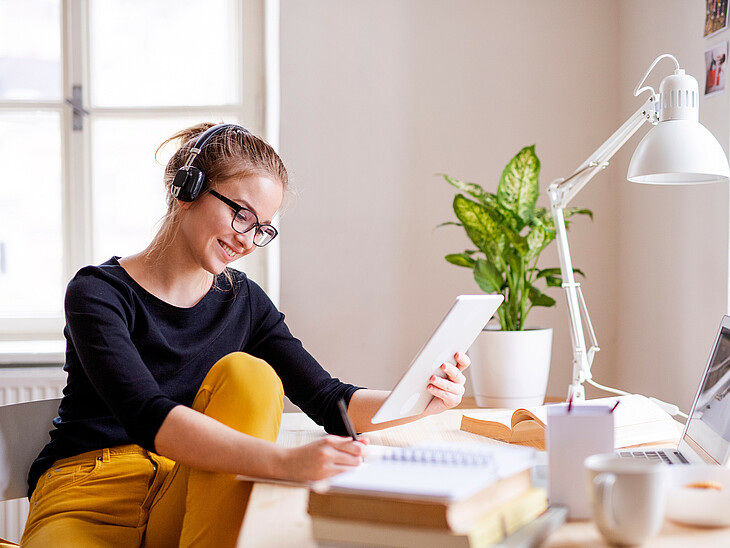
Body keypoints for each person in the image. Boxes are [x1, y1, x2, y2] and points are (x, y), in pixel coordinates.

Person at [18, 123, 471, 548]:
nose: (248, 240)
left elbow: (331, 400)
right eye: (241, 214)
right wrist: (285, 463)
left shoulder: (245, 302)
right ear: (186, 189)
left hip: (188, 489)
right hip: (89, 493)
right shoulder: (98, 291)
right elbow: (145, 413)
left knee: (248, 375)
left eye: (262, 228)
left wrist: (420, 398)